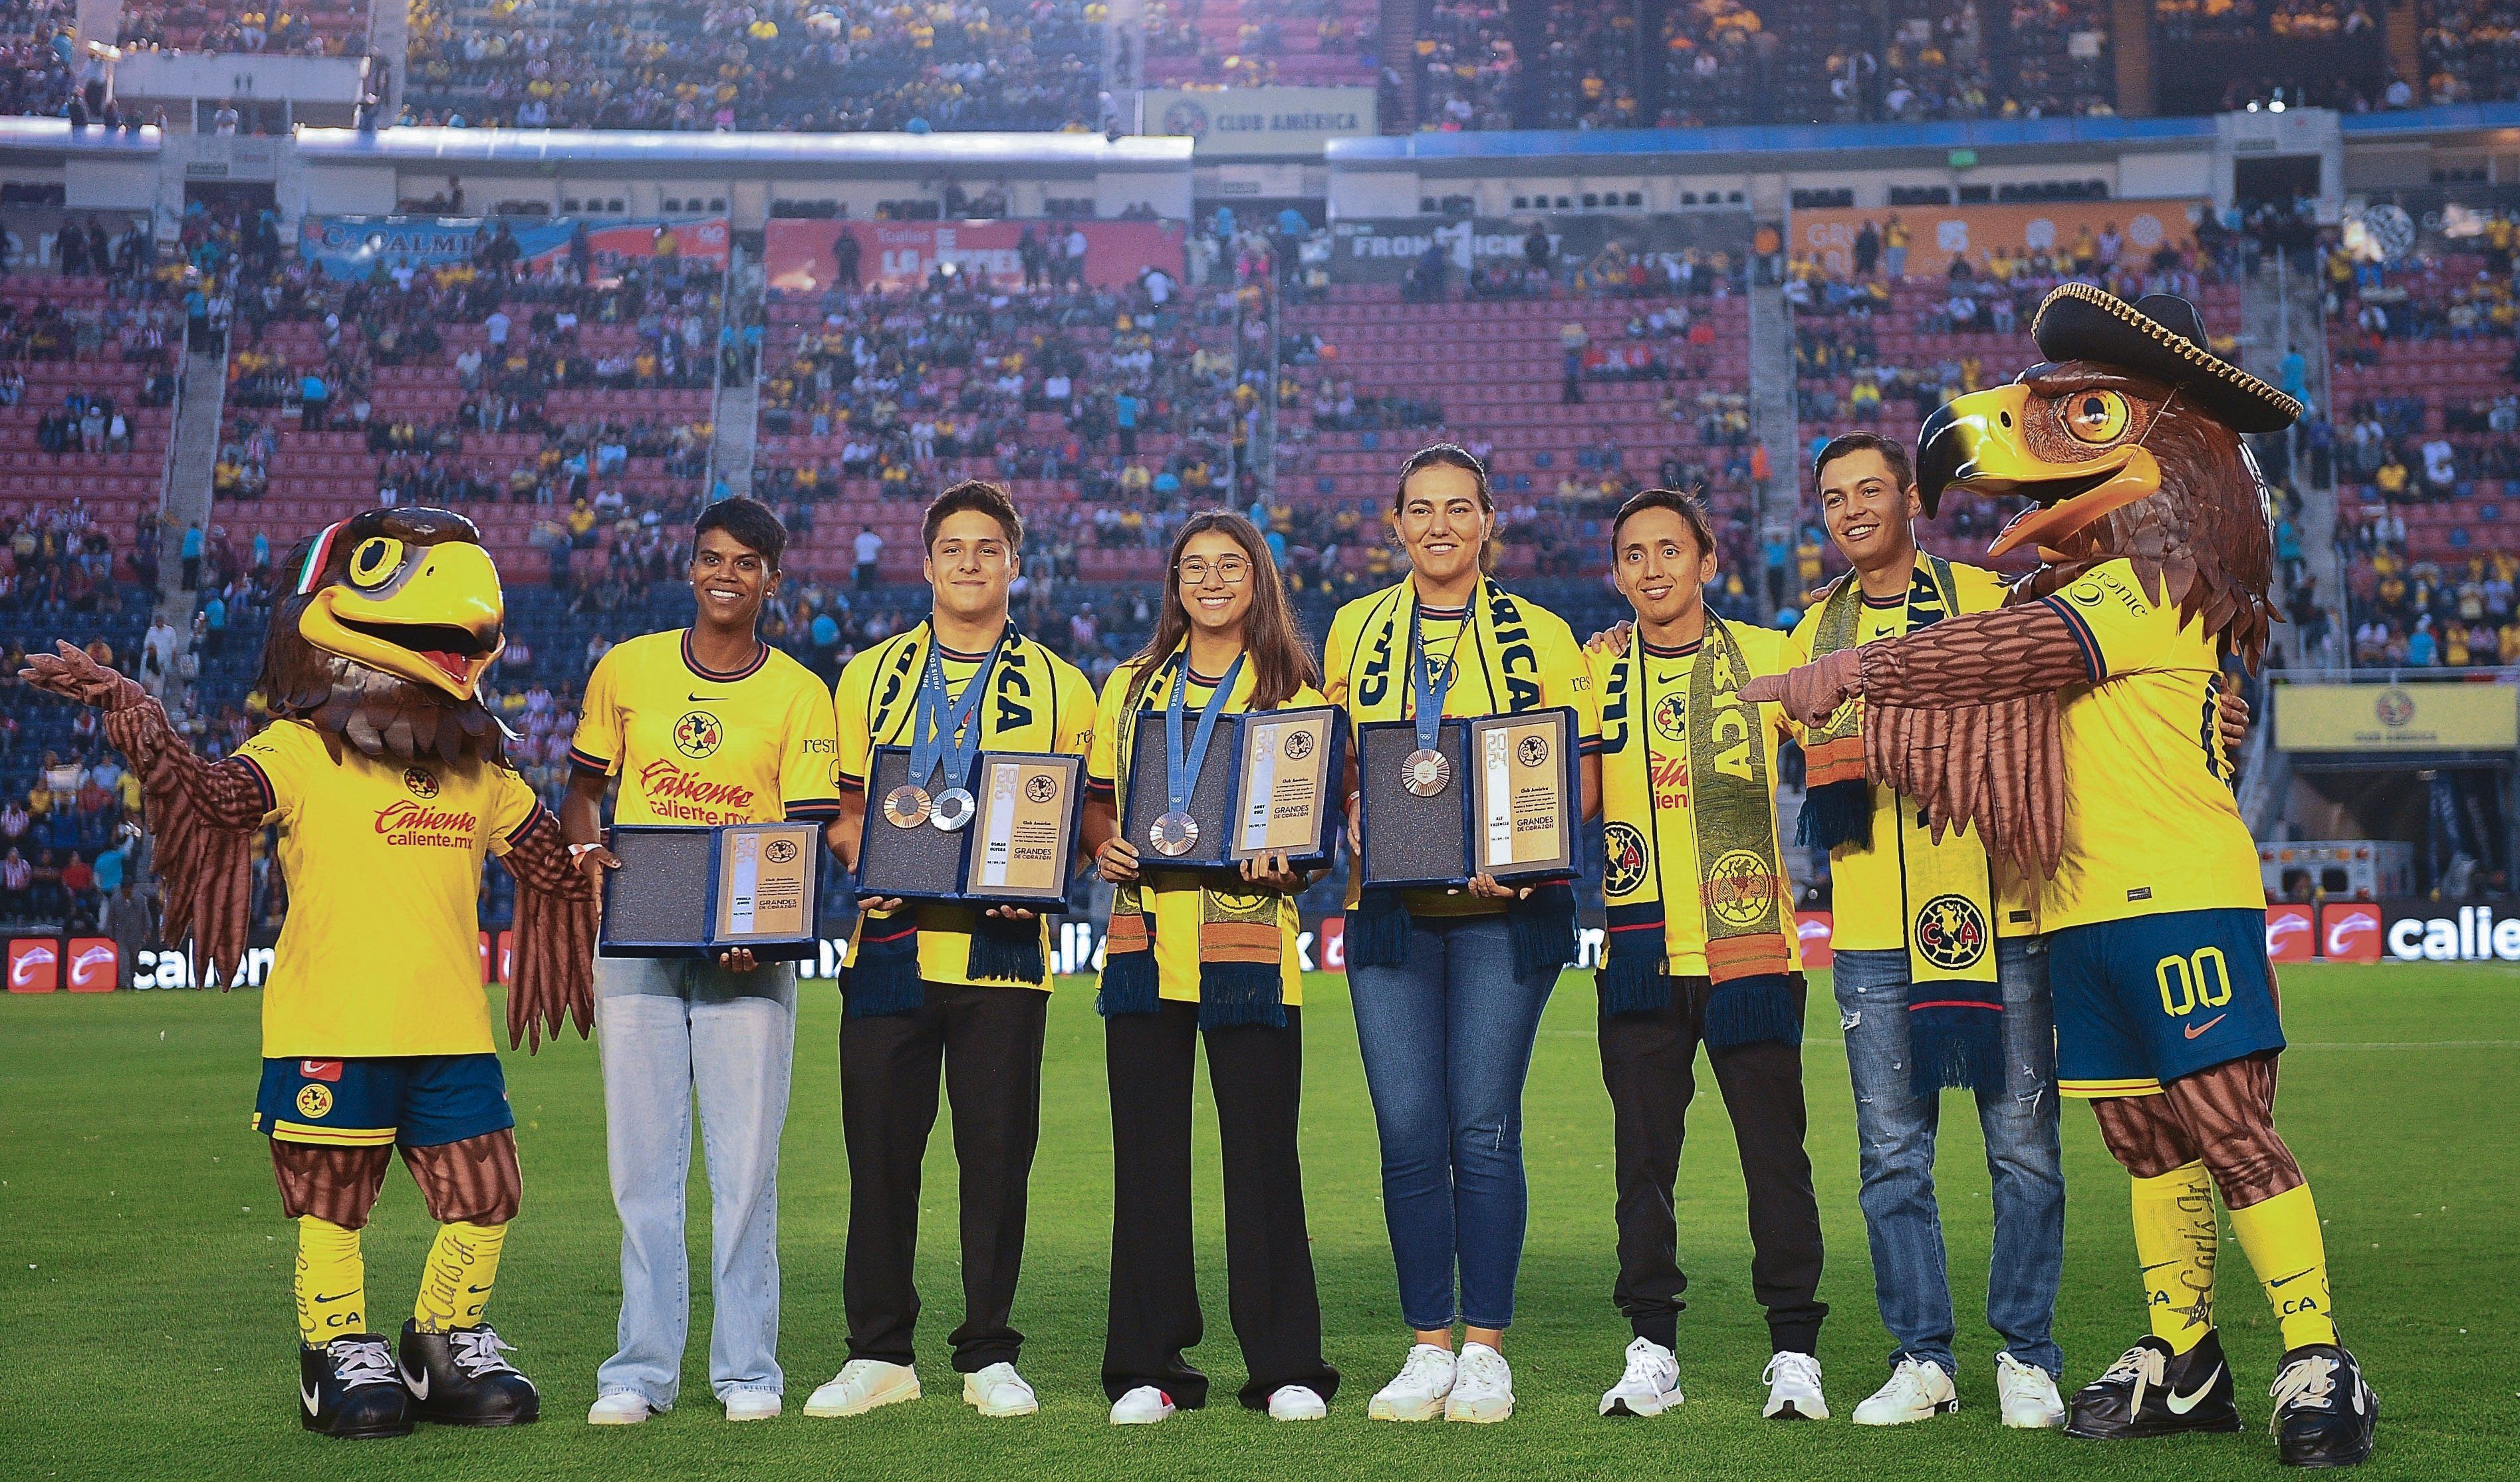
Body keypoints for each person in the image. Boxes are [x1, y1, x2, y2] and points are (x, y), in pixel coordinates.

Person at [15, 509, 594, 1441]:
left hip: (451, 1027)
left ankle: (442, 1338)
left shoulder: (480, 772)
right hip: (331, 1023)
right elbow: (211, 802)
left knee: (489, 1195)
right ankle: (335, 1349)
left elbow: (554, 865)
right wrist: (144, 724)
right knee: (333, 1199)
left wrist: (612, 858)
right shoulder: (295, 747)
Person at [1789, 433, 2065, 1428]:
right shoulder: (1809, 630)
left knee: (2024, 1152)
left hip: (2000, 916)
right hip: (1869, 932)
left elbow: (2045, 714)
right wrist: (1613, 644)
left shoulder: (1984, 599)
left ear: (1910, 497)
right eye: (1833, 497)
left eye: (1870, 489)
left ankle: (2026, 1356)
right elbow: (1718, 670)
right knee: (1891, 1161)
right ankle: (1923, 1359)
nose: (1853, 508)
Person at [1321, 444, 1600, 1424]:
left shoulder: (1545, 634)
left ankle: (1483, 1349)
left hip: (1503, 919)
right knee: (1406, 1134)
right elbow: (1340, 765)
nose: (1438, 525)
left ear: (1489, 520)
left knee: (1482, 1129)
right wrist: (1347, 805)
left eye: (1457, 507)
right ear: (1393, 524)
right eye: (1418, 509)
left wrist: (1526, 851)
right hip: (1391, 916)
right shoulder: (1355, 628)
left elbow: (1581, 775)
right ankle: (1424, 1345)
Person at [811, 480, 1096, 1422]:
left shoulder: (1063, 684)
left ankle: (987, 1352)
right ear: (927, 563)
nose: (970, 563)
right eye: (953, 549)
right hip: (890, 947)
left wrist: (1065, 859)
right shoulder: (868, 675)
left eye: (988, 548)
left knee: (995, 1159)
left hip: (1001, 955)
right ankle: (879, 1351)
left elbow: (1083, 819)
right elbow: (849, 815)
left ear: (1013, 563)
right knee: (881, 1160)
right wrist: (865, 859)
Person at [567, 497, 846, 1426]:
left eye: (746, 562)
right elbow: (581, 789)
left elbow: (801, 829)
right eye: (710, 558)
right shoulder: (628, 668)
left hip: (747, 950)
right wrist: (582, 852)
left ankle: (747, 1371)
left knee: (745, 1167)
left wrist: (761, 923)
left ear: (773, 577)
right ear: (690, 568)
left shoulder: (800, 691)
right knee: (640, 1165)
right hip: (641, 937)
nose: (725, 574)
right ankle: (639, 1370)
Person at [1080, 511, 1339, 1425]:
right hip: (1145, 946)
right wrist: (1104, 846)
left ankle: (1285, 1367)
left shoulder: (1294, 683)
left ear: (1256, 577)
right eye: (1195, 566)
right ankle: (1149, 1369)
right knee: (1147, 1163)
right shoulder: (1129, 686)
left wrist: (1292, 861)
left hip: (1251, 951)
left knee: (1264, 1160)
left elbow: (1315, 830)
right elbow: (1097, 809)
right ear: (1174, 582)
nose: (1212, 580)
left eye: (1230, 565)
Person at [1580, 488, 1830, 1423]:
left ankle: (1795, 1352)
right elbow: (1566, 798)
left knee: (1776, 1162)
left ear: (1705, 559)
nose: (1652, 569)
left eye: (1669, 550)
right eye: (1634, 555)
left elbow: (1845, 748)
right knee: (1642, 1164)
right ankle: (1651, 1348)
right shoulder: (1593, 672)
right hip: (1642, 955)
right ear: (1617, 574)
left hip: (1750, 954)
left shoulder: (1767, 656)